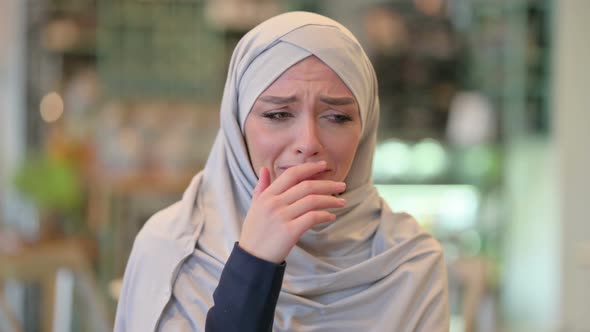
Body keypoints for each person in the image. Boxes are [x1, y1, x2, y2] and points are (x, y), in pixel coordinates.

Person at [114, 11, 449, 332]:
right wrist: (254, 264)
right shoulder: (172, 250)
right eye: (277, 115)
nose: (308, 143)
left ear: (364, 128)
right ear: (237, 124)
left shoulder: (411, 262)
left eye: (337, 117)